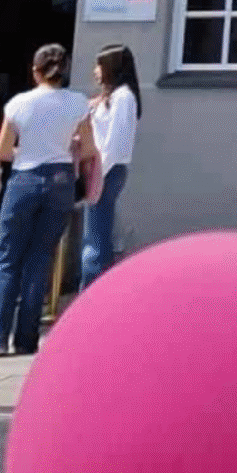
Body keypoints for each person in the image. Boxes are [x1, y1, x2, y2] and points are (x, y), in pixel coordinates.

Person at [0, 43, 93, 359]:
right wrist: (67, 146)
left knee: (7, 258)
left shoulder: (18, 103)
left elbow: (2, 151)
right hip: (60, 179)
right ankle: (27, 339)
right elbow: (89, 149)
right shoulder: (78, 102)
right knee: (40, 259)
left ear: (35, 71)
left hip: (25, 177)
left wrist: (27, 150)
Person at [79, 43, 143, 289]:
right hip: (103, 168)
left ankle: (91, 290)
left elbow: (114, 142)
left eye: (99, 65)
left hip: (107, 169)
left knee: (95, 237)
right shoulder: (110, 97)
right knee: (98, 232)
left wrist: (97, 174)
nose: (95, 71)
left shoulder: (123, 97)